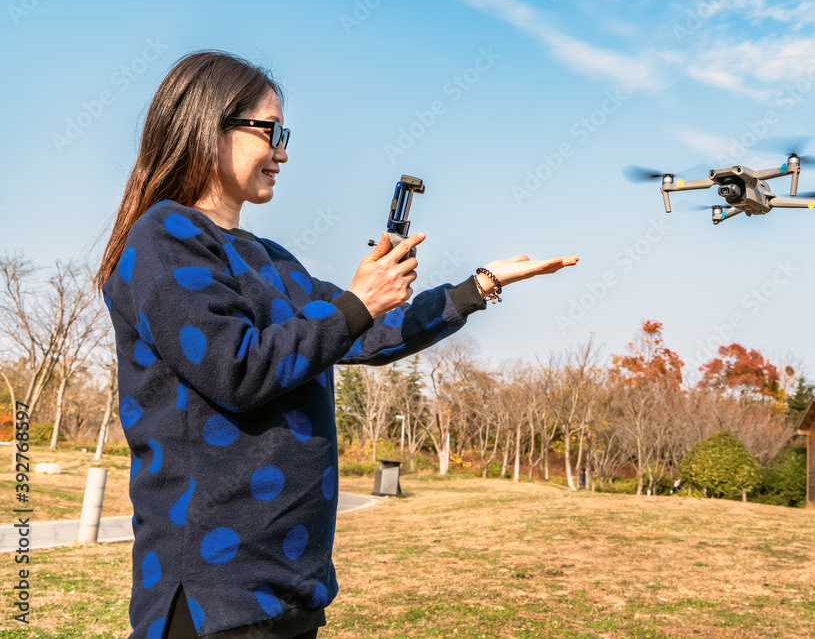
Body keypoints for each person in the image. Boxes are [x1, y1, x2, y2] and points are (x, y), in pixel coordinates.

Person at [95, 50, 578, 639]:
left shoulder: (273, 260)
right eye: (270, 132)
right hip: (211, 600)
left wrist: (480, 286)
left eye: (284, 133)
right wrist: (355, 303)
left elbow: (368, 334)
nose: (283, 152)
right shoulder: (165, 237)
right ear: (206, 125)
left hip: (291, 590)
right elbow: (236, 370)